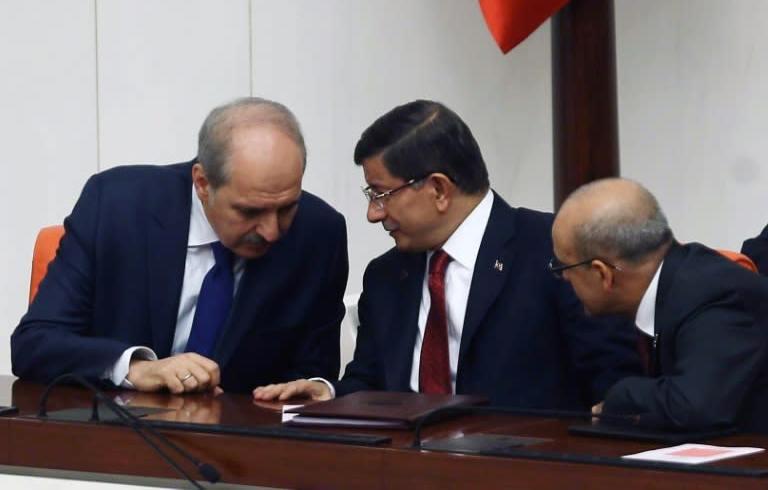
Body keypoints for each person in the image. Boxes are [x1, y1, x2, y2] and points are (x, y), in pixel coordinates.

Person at [253, 99, 641, 409]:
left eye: (381, 195)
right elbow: (371, 382)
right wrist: (328, 394)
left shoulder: (555, 253)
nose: (374, 214)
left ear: (438, 189)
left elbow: (615, 386)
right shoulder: (387, 276)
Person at [12, 97, 349, 394]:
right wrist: (137, 368)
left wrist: (310, 389)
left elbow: (312, 375)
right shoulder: (117, 207)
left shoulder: (319, 233)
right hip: (120, 438)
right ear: (203, 183)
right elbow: (35, 343)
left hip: (246, 448)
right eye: (250, 211)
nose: (272, 231)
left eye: (287, 207)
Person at [551, 177, 768, 432]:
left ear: (603, 274)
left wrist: (618, 396)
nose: (564, 277)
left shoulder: (714, 293)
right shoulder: (677, 281)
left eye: (565, 267)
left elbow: (693, 406)